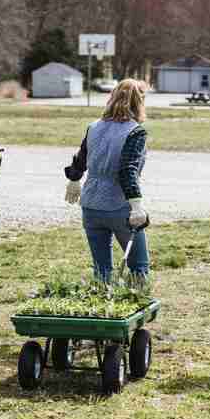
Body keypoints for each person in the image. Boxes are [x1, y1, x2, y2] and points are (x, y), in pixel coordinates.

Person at [64, 79, 150, 279]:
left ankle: (103, 306)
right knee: (138, 267)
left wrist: (74, 180)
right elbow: (127, 171)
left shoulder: (93, 126)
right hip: (118, 206)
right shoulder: (135, 132)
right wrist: (137, 207)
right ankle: (139, 304)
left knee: (101, 270)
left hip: (91, 205)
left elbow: (81, 157)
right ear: (139, 102)